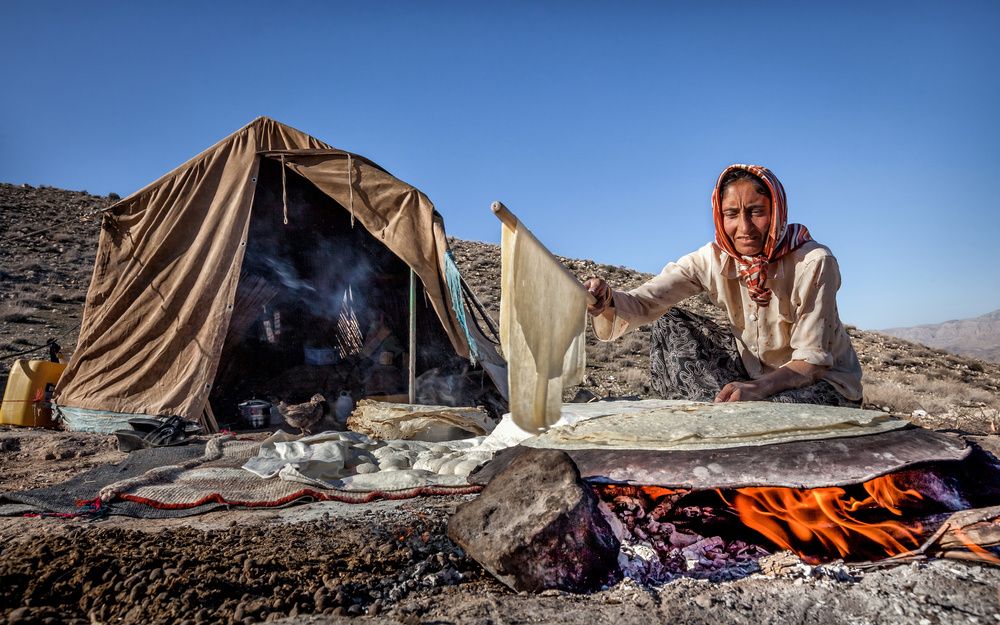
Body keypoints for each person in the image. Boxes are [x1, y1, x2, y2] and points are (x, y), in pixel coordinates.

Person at [584, 164, 862, 406]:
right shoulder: (713, 259)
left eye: (756, 212)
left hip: (821, 381)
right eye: (732, 214)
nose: (744, 227)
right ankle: (704, 414)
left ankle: (727, 412)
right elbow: (646, 302)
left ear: (777, 210)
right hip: (751, 373)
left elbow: (811, 364)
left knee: (769, 413)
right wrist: (606, 299)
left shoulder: (814, 262)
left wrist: (759, 389)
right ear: (720, 216)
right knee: (668, 321)